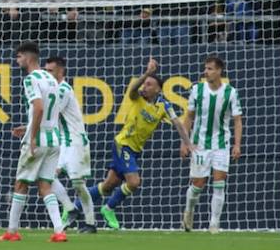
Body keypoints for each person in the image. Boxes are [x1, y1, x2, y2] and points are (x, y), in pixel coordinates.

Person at [87, 57, 184, 230]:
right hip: (122, 144)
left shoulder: (164, 105)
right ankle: (108, 208)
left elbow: (177, 123)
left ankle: (74, 207)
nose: (144, 87)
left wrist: (188, 143)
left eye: (149, 84)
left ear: (158, 89)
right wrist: (147, 73)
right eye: (144, 83)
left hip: (135, 150)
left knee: (108, 186)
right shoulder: (136, 97)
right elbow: (132, 88)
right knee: (134, 182)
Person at [0, 42, 69, 243]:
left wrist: (32, 136)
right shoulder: (52, 78)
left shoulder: (30, 79)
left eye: (19, 57)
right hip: (53, 139)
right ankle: (59, 231)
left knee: (21, 184)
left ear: (28, 58)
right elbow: (50, 110)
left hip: (38, 140)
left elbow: (38, 108)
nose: (17, 61)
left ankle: (12, 231)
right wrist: (28, 126)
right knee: (45, 185)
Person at [180, 54, 243, 233]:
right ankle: (189, 211)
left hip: (221, 144)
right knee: (198, 184)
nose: (205, 72)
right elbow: (189, 117)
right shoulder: (197, 90)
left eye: (210, 69)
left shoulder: (231, 92)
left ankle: (214, 224)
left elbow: (238, 120)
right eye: (205, 68)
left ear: (219, 71)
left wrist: (237, 145)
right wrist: (184, 143)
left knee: (219, 183)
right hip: (199, 144)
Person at [43, 54, 97, 234]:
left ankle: (90, 222)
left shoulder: (63, 89)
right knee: (46, 176)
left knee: (78, 184)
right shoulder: (53, 90)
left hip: (75, 142)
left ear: (61, 70)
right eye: (46, 71)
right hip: (63, 142)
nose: (47, 74)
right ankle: (71, 208)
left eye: (50, 71)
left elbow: (51, 113)